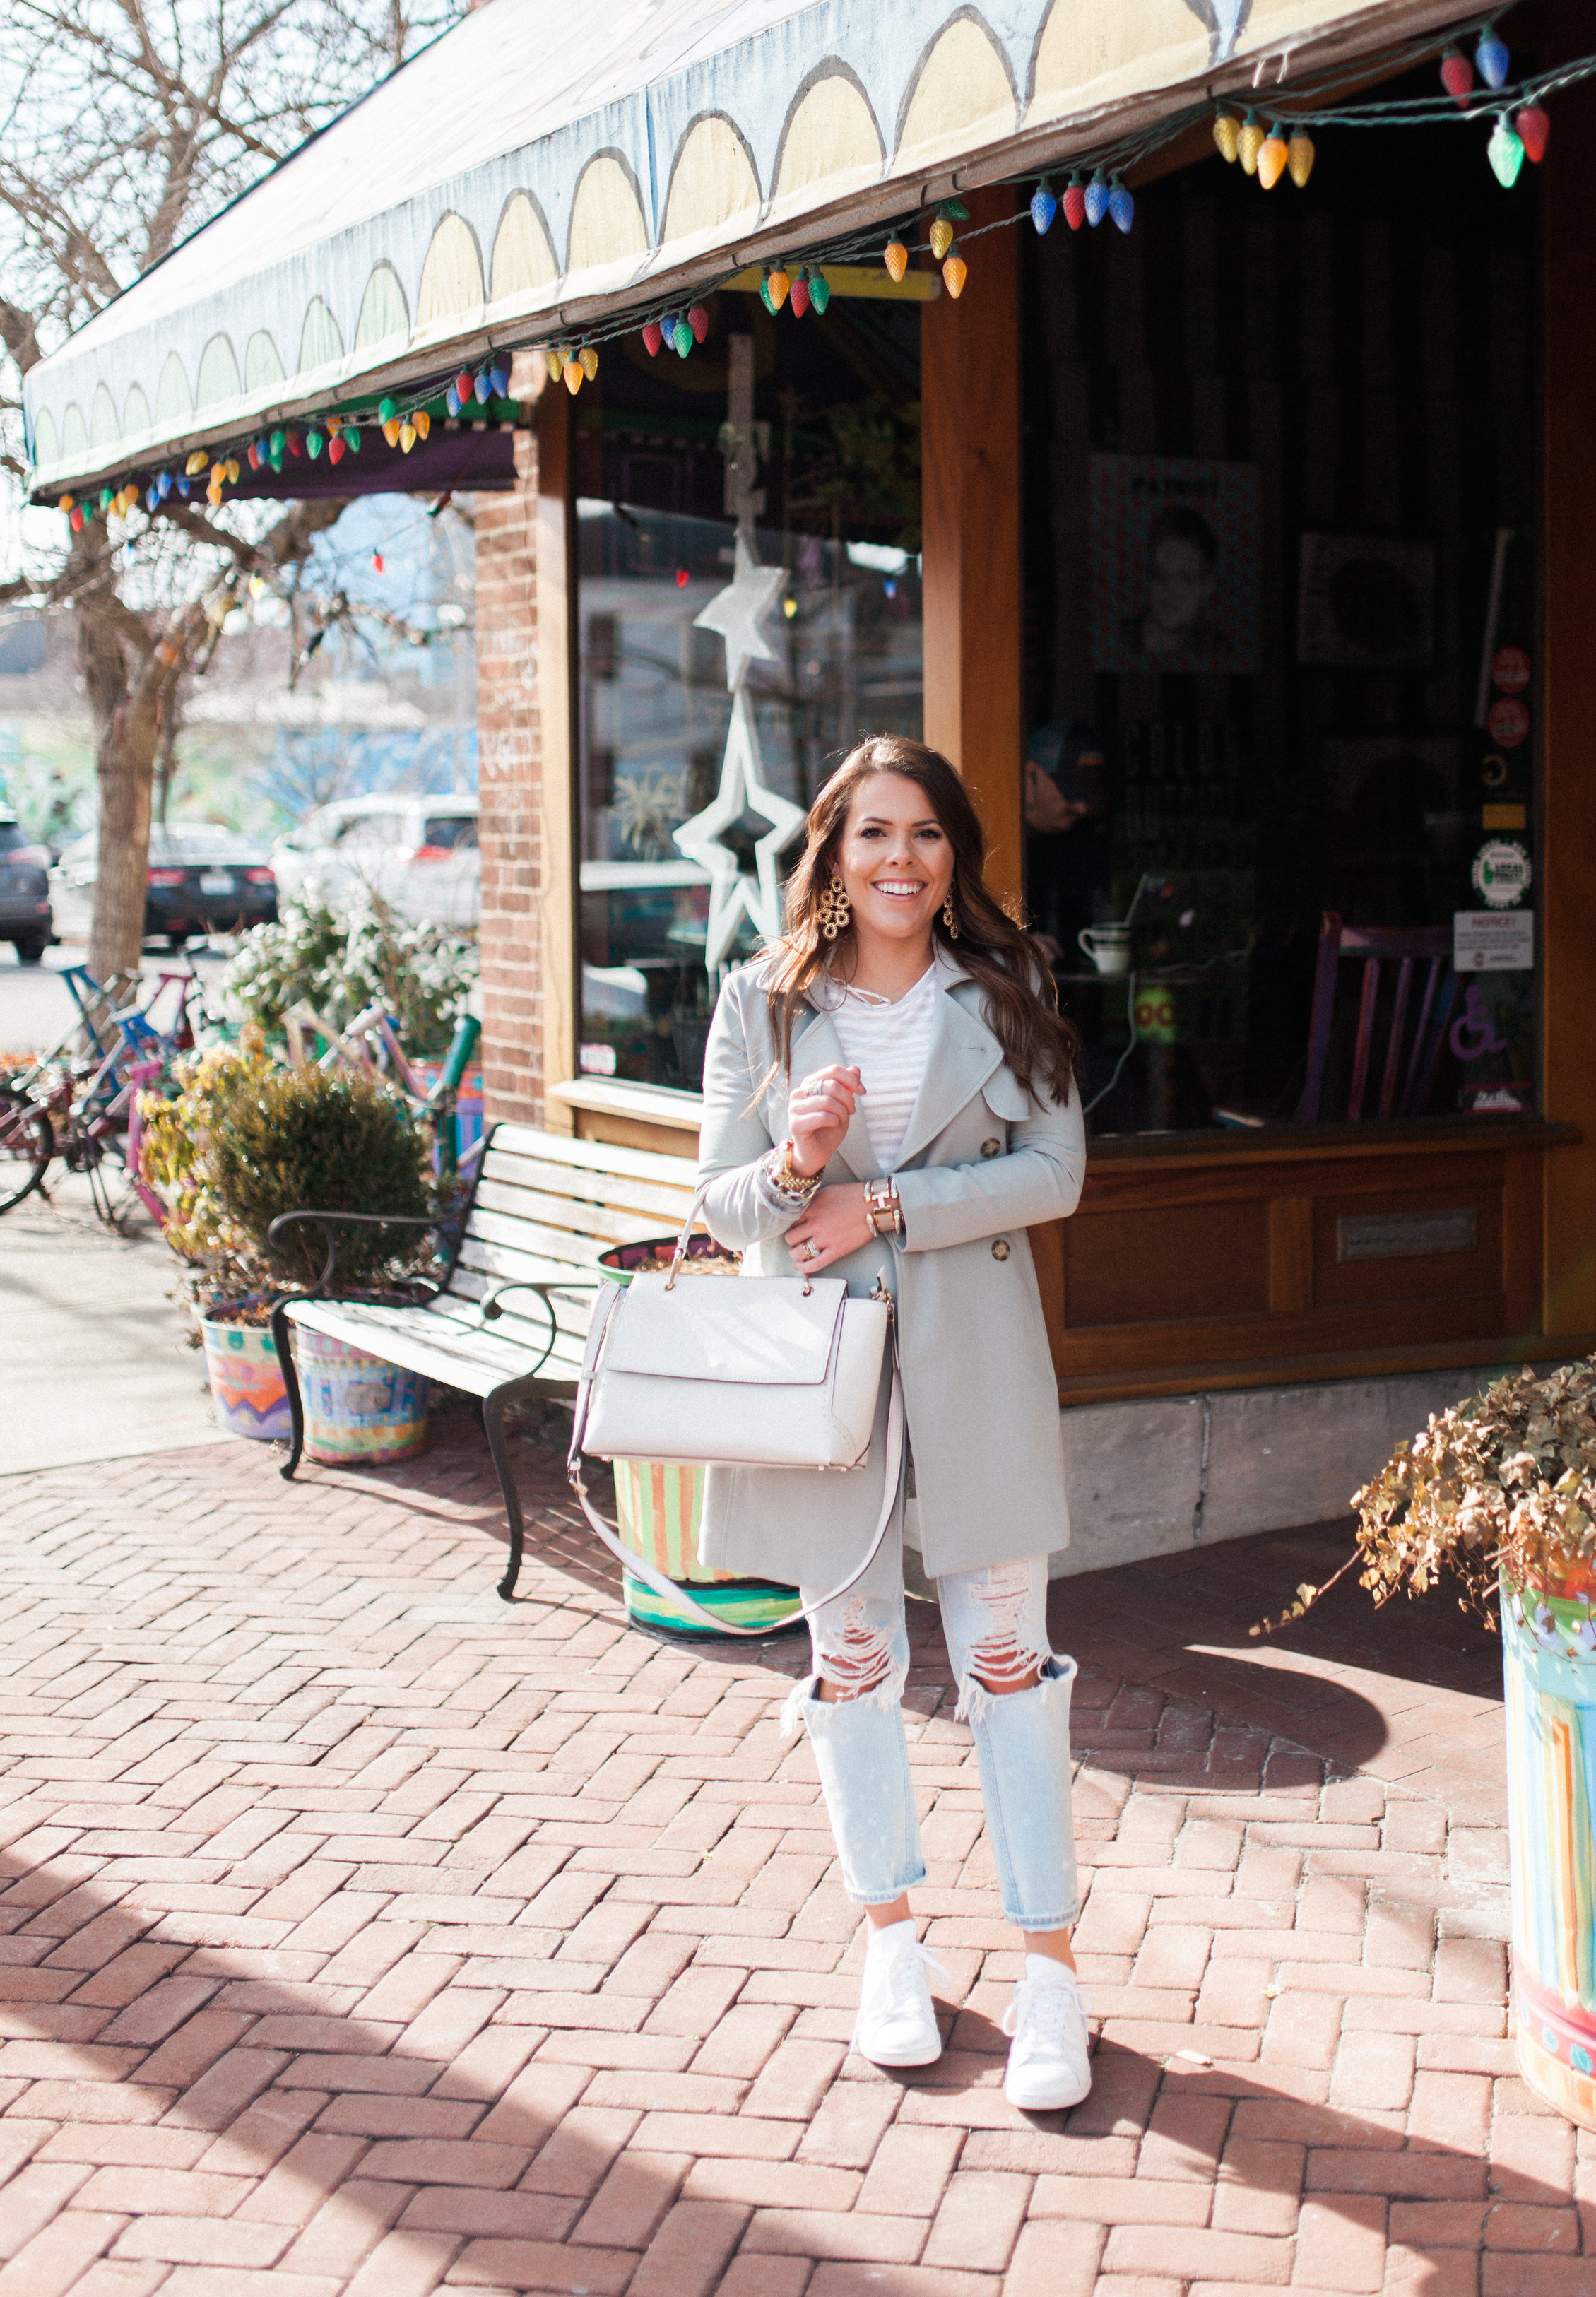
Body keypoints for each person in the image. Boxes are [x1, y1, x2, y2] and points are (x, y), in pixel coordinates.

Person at [694, 733, 1092, 2108]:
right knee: (854, 1654)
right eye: (872, 832)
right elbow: (720, 1203)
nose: (900, 860)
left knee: (1003, 1657)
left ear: (953, 854)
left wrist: (890, 1202)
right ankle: (892, 1942)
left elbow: (1056, 1174)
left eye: (924, 834)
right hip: (825, 1369)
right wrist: (797, 1157)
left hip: (975, 1351)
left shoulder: (1010, 982)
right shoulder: (765, 997)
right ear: (832, 850)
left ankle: (1049, 1970)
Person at [1022, 720, 1108, 967]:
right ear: (1031, 777)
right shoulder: (987, 839)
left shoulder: (1082, 838)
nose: (1081, 808)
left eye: (1088, 794)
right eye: (1070, 791)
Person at [1123, 502, 1233, 667]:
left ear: (1206, 586)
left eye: (1185, 579)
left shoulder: (1220, 649)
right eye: (1160, 575)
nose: (1170, 591)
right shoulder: (1120, 638)